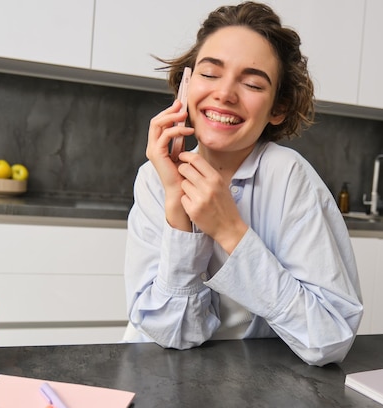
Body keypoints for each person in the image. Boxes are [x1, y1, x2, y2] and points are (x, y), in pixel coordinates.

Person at [123, 1, 363, 366]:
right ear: (186, 85)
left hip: (249, 384)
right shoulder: (154, 179)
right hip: (155, 373)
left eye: (252, 83)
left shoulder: (289, 178)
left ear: (277, 109)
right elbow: (172, 333)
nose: (225, 93)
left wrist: (230, 231)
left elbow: (328, 340)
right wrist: (178, 210)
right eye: (209, 73)